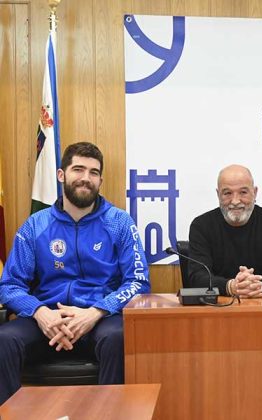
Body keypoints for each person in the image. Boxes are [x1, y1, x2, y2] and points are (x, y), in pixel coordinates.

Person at [0, 142, 150, 404]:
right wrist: (40, 312)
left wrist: (96, 311)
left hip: (101, 319)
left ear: (100, 180)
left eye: (94, 172)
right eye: (78, 169)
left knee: (118, 338)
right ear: (61, 175)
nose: (86, 178)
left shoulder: (119, 222)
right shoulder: (36, 225)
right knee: (4, 340)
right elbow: (10, 285)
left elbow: (138, 282)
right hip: (47, 320)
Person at [188, 164, 262, 298]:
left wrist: (260, 286)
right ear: (218, 195)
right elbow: (197, 276)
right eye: (227, 193)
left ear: (255, 192)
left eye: (243, 192)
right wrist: (230, 286)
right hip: (218, 306)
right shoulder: (201, 226)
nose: (235, 201)